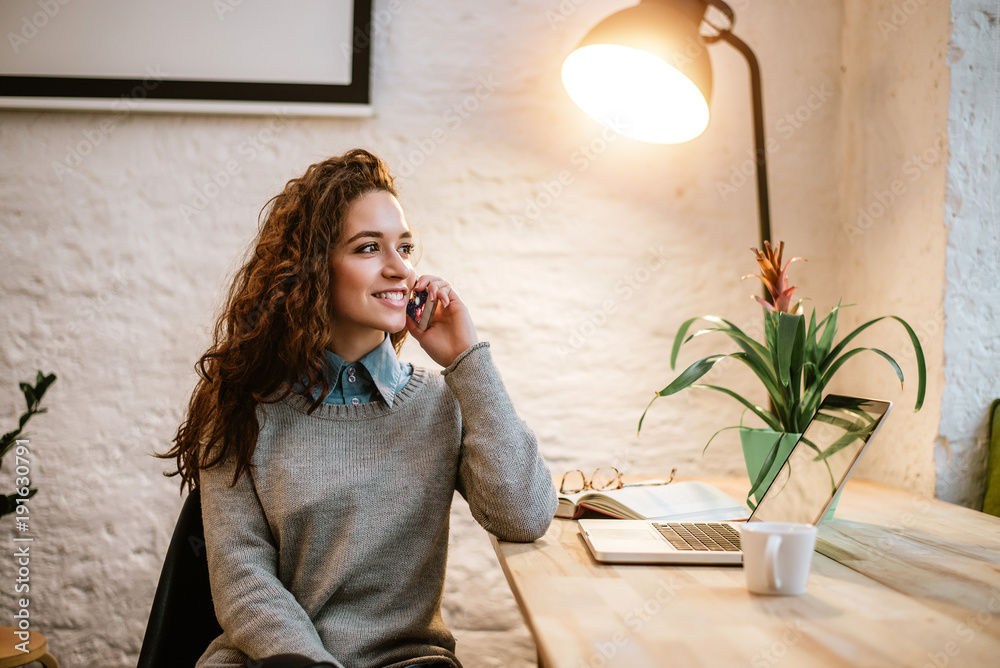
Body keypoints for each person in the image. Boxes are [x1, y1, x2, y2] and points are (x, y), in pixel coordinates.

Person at [157, 149, 558, 668]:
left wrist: (466, 361)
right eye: (369, 248)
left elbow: (524, 516)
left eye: (405, 246)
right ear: (312, 268)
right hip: (276, 661)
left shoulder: (440, 402)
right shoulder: (239, 410)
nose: (399, 268)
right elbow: (243, 579)